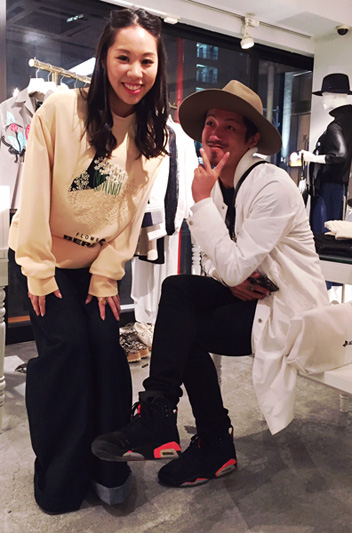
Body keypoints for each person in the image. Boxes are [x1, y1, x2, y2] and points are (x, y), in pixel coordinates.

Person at [91, 80, 329, 488]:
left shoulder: (271, 185)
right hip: (254, 299)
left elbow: (231, 265)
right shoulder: (219, 185)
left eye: (230, 127)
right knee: (177, 290)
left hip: (290, 312)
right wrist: (230, 276)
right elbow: (219, 263)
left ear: (252, 139)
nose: (214, 134)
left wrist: (202, 205)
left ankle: (209, 439)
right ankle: (160, 413)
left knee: (185, 330)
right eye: (210, 123)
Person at [8, 7, 169, 513]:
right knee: (67, 353)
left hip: (97, 268)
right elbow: (33, 194)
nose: (135, 72)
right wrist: (37, 269)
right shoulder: (60, 110)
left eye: (147, 61)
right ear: (104, 58)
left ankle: (108, 467)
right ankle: (60, 476)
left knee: (106, 349)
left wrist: (106, 275)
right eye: (124, 57)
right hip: (44, 259)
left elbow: (130, 217)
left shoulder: (154, 134)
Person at [301, 73, 352, 233]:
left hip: (329, 186)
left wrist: (312, 157)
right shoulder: (347, 122)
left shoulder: (336, 126)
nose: (323, 100)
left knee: (324, 230)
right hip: (338, 185)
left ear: (334, 95)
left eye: (324, 95)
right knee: (333, 229)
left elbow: (340, 155)